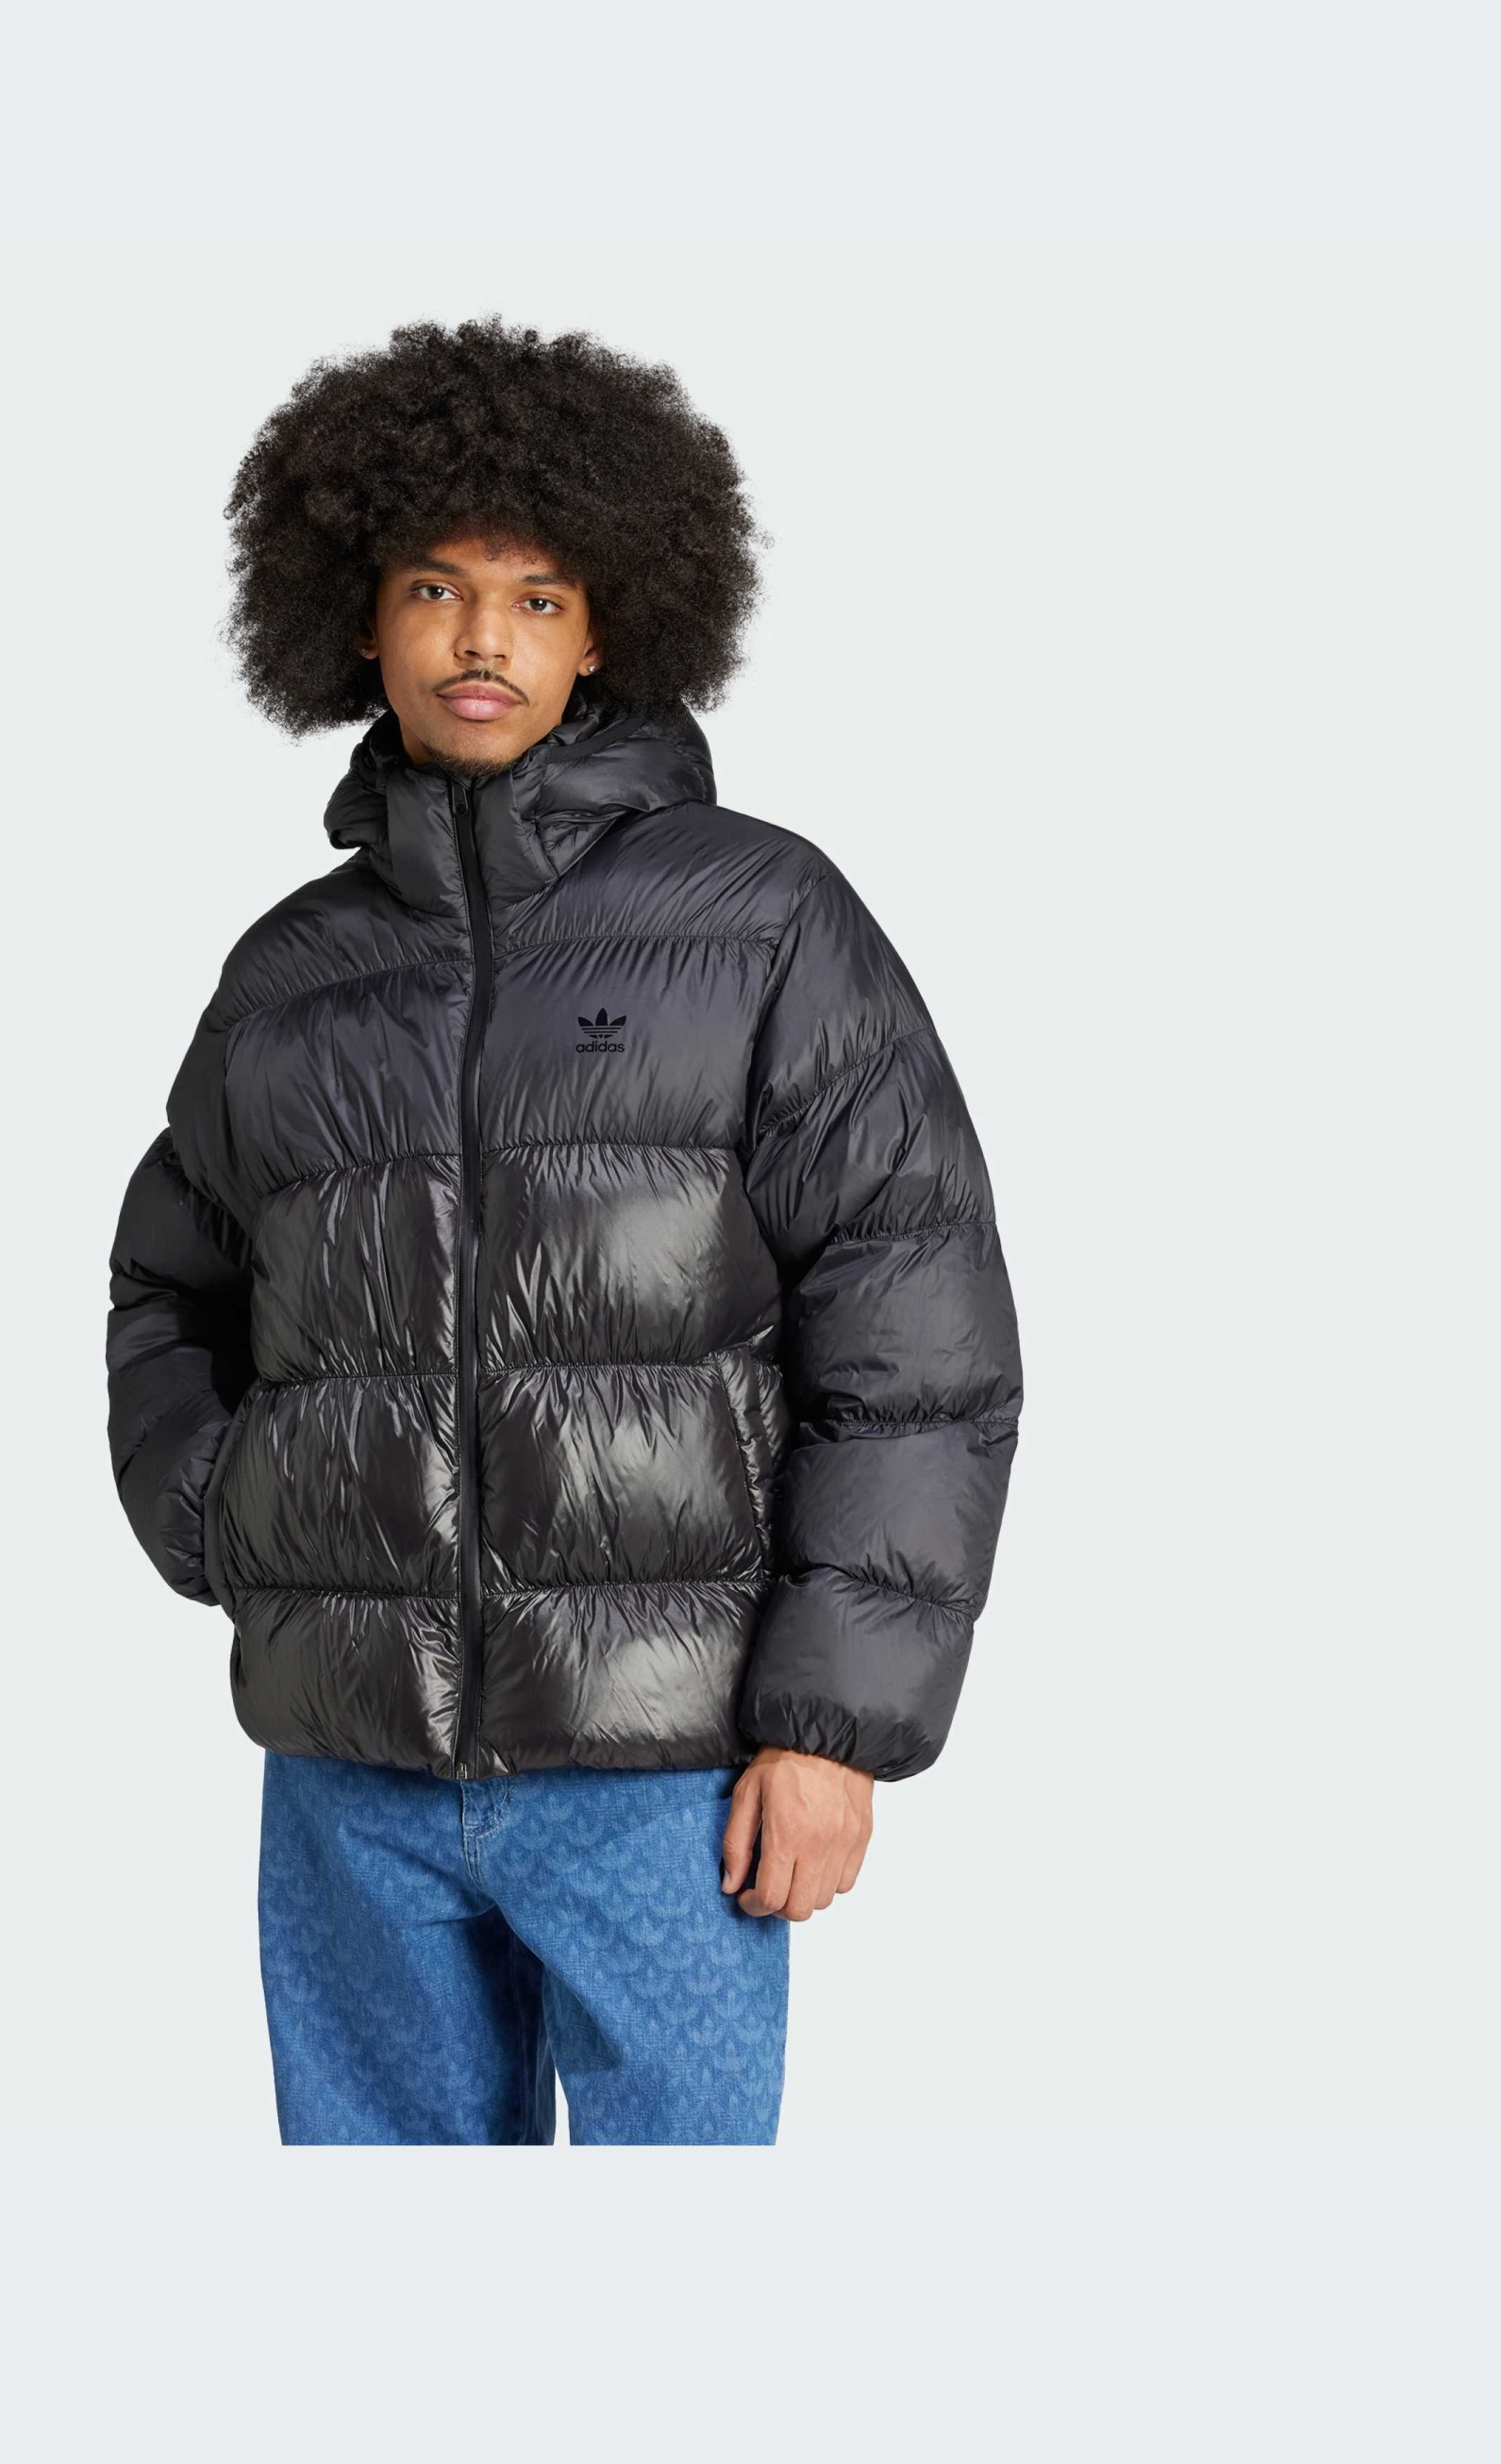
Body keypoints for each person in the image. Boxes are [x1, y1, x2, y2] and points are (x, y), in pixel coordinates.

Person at [105, 313, 1024, 2145]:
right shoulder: (288, 977)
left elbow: (912, 1330)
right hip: (347, 1772)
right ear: (356, 621)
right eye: (434, 590)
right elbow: (168, 1289)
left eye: (533, 599)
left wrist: (828, 1726)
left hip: (663, 1770)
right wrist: (234, 1520)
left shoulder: (759, 921)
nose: (480, 641)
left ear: (603, 628)